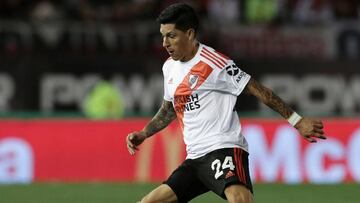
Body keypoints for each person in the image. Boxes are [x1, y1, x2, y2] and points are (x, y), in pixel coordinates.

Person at [126, 3, 326, 203]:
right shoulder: (169, 67)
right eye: (163, 36)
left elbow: (260, 91)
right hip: (194, 158)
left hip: (223, 148)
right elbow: (168, 109)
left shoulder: (215, 63)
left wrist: (297, 121)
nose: (164, 43)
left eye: (171, 35)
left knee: (240, 200)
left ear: (189, 34)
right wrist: (144, 133)